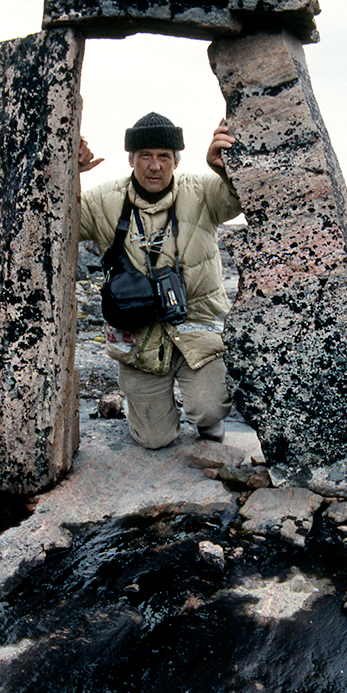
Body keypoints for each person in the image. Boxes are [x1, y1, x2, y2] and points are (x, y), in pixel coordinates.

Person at [78, 111, 239, 449]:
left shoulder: (202, 191)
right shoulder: (102, 200)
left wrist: (224, 167)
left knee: (209, 409)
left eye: (164, 156)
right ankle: (157, 416)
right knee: (154, 440)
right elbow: (58, 222)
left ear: (176, 161)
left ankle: (209, 425)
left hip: (198, 328)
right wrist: (66, 174)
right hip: (139, 338)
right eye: (145, 156)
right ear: (131, 159)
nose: (154, 166)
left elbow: (237, 199)